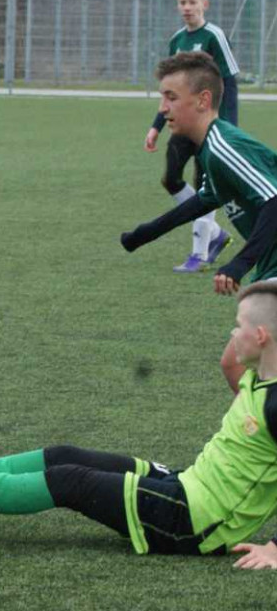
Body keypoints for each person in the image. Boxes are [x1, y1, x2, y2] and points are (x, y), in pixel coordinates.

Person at [0, 280, 277, 567]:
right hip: (185, 485)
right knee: (63, 454)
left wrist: (273, 548)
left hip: (193, 523)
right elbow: (229, 361)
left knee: (70, 480)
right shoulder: (255, 373)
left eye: (239, 325)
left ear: (260, 336)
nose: (231, 332)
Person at [121, 52, 277, 393]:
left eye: (171, 97)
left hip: (272, 267)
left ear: (203, 100)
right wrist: (144, 233)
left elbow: (274, 201)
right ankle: (260, 440)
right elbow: (204, 200)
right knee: (236, 363)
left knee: (247, 365)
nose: (163, 108)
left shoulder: (223, 145)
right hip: (269, 264)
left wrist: (237, 265)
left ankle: (258, 441)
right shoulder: (209, 150)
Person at [144, 0, 239, 274]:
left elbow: (229, 82)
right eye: (183, 2)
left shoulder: (214, 36)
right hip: (183, 122)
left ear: (204, 4)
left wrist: (227, 126)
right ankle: (215, 235)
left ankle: (199, 254)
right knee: (171, 178)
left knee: (203, 185)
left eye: (192, 2)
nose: (187, 7)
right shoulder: (177, 40)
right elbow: (171, 90)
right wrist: (157, 124)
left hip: (209, 125)